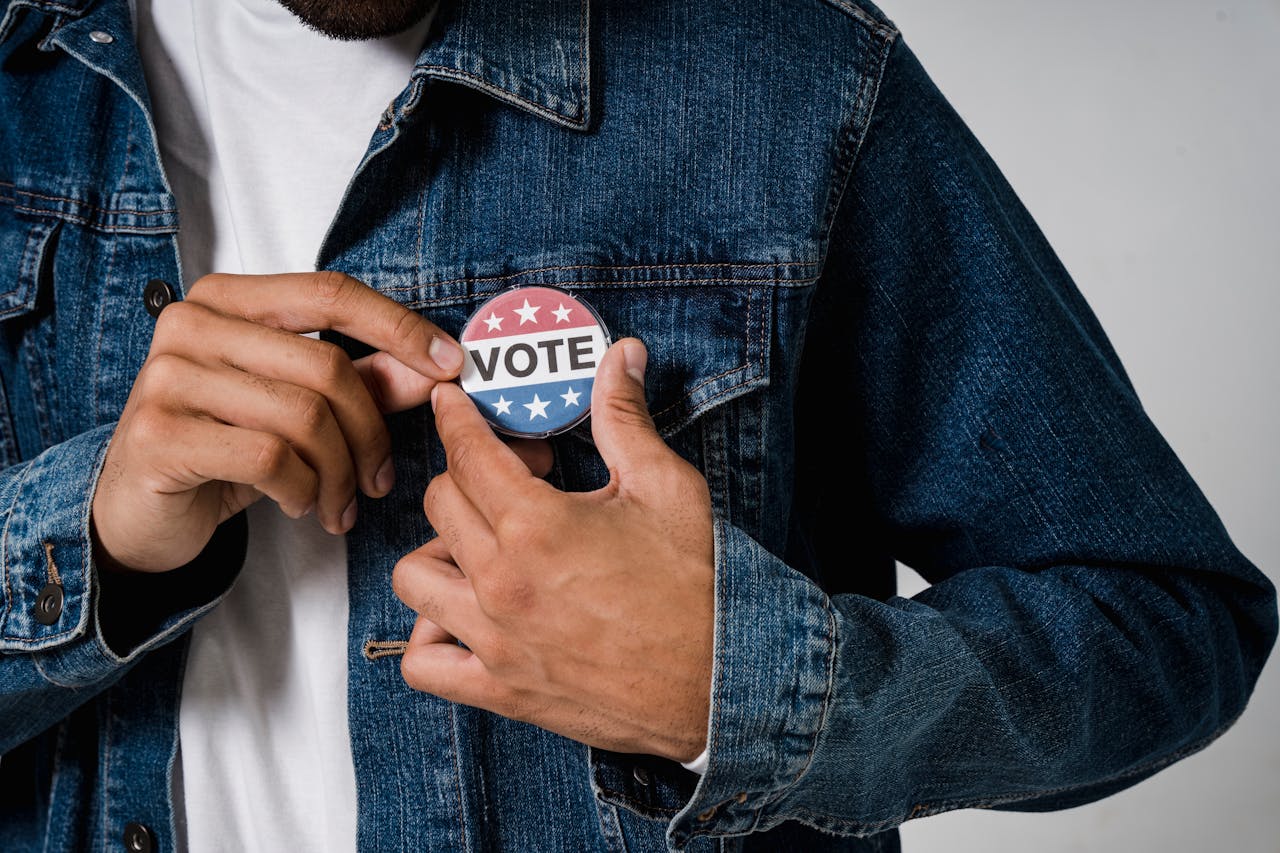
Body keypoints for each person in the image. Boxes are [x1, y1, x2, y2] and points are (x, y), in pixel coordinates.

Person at [0, 0, 1274, 850]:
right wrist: (84, 541)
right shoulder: (21, 95)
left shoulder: (789, 78)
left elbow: (1166, 623)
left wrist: (740, 686)